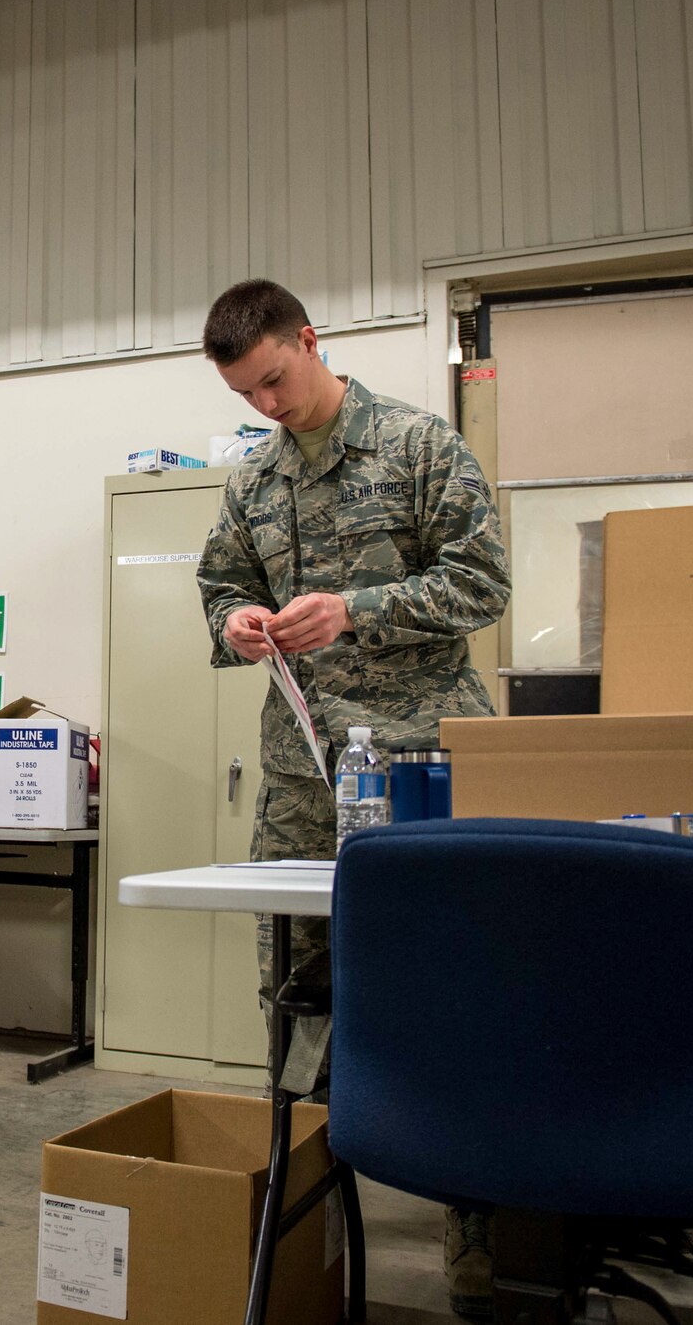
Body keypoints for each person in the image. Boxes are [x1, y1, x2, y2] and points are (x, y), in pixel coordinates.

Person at [195, 279, 511, 1319]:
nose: (268, 406)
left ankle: (477, 1230)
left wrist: (357, 609)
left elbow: (481, 581)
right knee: (295, 993)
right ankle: (306, 1227)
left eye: (275, 380)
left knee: (449, 987)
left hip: (421, 771)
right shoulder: (251, 484)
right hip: (300, 774)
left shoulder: (419, 447)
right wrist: (238, 618)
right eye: (248, 395)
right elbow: (216, 582)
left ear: (307, 342)